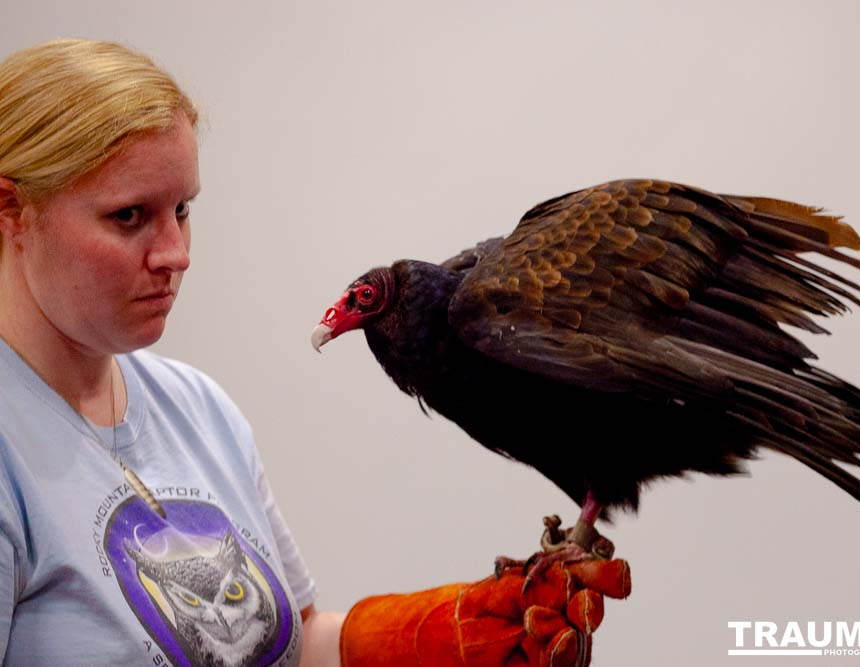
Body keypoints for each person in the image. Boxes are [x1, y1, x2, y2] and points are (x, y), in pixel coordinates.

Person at [0, 39, 629, 666]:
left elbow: (292, 645)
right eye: (129, 215)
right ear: (12, 211)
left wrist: (441, 634)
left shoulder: (197, 410)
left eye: (183, 209)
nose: (176, 252)